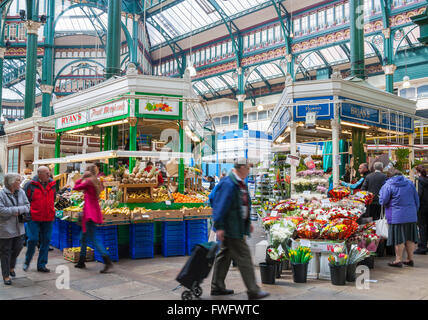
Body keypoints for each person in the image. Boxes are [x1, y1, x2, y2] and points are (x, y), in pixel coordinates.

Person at [210, 160, 269, 300]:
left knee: (224, 256)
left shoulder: (239, 182)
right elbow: (220, 205)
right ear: (241, 168)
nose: (249, 171)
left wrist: (247, 222)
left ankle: (217, 286)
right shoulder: (228, 183)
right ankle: (253, 290)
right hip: (231, 228)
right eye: (248, 168)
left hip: (236, 226)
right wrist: (219, 227)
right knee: (244, 256)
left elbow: (243, 203)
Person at [73, 164, 113, 273]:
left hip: (89, 213)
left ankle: (107, 260)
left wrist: (80, 178)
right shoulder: (97, 181)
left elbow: (75, 188)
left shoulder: (88, 181)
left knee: (95, 239)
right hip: (93, 211)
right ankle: (81, 261)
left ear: (88, 171)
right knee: (83, 238)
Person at [379, 169, 419, 267]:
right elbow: (416, 200)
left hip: (396, 215)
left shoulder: (388, 185)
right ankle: (410, 259)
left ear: (389, 176)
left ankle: (398, 260)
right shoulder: (410, 183)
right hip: (411, 215)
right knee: (410, 237)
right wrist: (414, 211)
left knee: (398, 238)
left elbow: (383, 200)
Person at [23, 166, 57, 273]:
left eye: (49, 173)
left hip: (48, 218)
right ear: (39, 174)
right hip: (34, 217)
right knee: (32, 240)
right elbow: (24, 200)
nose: (49, 175)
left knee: (46, 241)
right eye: (46, 173)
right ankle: (27, 261)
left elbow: (54, 198)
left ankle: (42, 264)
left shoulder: (53, 185)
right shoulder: (30, 185)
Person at [0, 174, 30, 285]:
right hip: (5, 229)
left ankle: (11, 266)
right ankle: (6, 275)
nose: (20, 182)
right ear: (11, 182)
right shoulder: (1, 194)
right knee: (5, 252)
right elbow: (1, 210)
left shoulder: (21, 192)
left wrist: (16, 210)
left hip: (19, 228)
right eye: (18, 180)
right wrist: (16, 211)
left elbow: (27, 206)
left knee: (17, 249)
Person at [414, 165, 428, 255]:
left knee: (422, 226)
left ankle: (422, 247)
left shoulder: (419, 181)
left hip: (422, 207)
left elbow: (418, 194)